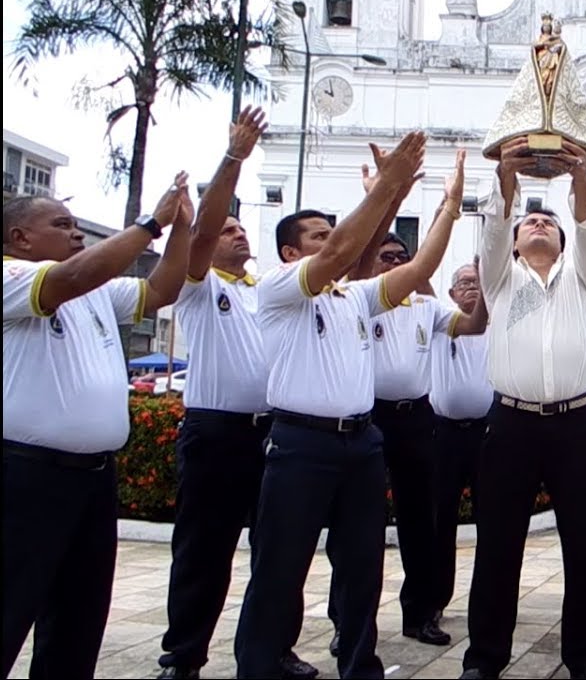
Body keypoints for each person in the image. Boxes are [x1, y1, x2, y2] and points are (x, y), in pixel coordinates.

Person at [233, 131, 464, 679]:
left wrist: (449, 213)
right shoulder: (280, 287)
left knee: (364, 565)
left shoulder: (355, 295)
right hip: (300, 443)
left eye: (331, 232)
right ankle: (260, 664)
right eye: (318, 235)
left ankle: (360, 665)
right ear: (292, 253)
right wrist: (386, 192)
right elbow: (344, 251)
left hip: (360, 442)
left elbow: (418, 269)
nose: (332, 240)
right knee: (280, 566)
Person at [3, 178, 193, 679]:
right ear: (19, 238)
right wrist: (151, 224)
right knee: (11, 605)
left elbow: (162, 290)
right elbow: (71, 277)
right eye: (61, 225)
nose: (75, 235)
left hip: (92, 477)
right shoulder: (14, 277)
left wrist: (183, 229)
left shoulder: (96, 291)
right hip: (24, 475)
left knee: (79, 616)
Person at [154, 108, 316, 680]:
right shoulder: (198, 286)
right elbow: (198, 233)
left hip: (272, 432)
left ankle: (274, 647)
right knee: (205, 551)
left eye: (241, 227)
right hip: (217, 432)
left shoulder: (263, 288)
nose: (238, 231)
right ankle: (185, 655)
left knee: (280, 552)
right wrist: (234, 160)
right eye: (227, 229)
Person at [461, 137, 586, 680]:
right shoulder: (501, 281)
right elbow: (495, 229)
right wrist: (508, 179)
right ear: (518, 244)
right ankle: (484, 660)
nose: (539, 224)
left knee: (584, 549)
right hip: (511, 424)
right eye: (530, 224)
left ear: (563, 242)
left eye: (549, 223)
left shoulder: (582, 280)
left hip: (577, 425)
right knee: (498, 546)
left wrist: (581, 177)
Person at [427, 262, 492, 630]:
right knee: (440, 521)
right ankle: (435, 599)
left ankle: (487, 602)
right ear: (450, 293)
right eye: (464, 283)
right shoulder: (441, 322)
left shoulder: (497, 325)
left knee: (492, 521)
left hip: (486, 433)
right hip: (445, 434)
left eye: (477, 283)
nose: (471, 289)